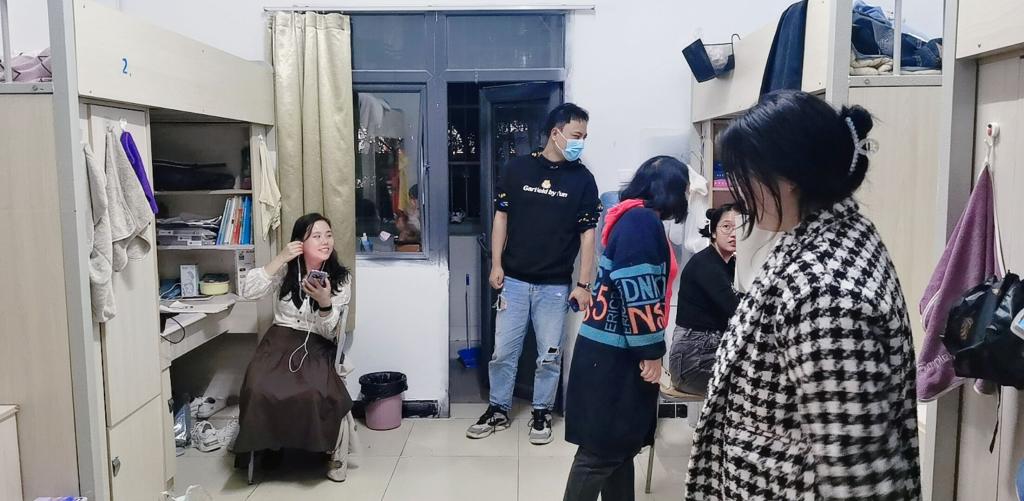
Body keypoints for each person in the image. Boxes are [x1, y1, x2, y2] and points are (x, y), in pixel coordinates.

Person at [686, 90, 920, 499]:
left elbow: (858, 476)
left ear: (789, 176)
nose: (742, 196)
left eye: (747, 177)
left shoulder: (825, 294)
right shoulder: (837, 234)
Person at [467, 103, 602, 445]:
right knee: (503, 352)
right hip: (513, 280)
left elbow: (588, 236)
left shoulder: (583, 180)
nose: (581, 142)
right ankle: (498, 408)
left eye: (584, 137)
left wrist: (584, 284)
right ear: (556, 133)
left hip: (554, 286)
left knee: (549, 355)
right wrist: (496, 264)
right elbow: (501, 217)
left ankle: (541, 411)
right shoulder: (518, 169)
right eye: (576, 135)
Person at [563, 156, 690, 501]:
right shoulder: (641, 221)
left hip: (610, 349)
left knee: (620, 449)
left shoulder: (630, 216)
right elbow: (640, 292)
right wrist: (651, 352)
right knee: (602, 452)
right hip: (617, 355)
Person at [234, 213, 355, 482]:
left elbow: (330, 332)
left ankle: (325, 449)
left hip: (318, 343)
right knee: (258, 387)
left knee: (314, 390)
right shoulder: (286, 271)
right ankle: (268, 444)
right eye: (316, 236)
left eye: (328, 235)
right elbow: (249, 291)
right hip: (280, 339)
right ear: (300, 243)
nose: (325, 242)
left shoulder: (340, 279)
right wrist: (280, 258)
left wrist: (325, 302)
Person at [669, 204, 740, 395]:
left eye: (739, 227)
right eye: (726, 227)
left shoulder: (730, 264)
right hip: (691, 363)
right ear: (714, 232)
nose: (734, 234)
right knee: (754, 384)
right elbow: (738, 311)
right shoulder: (706, 264)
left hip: (711, 352)